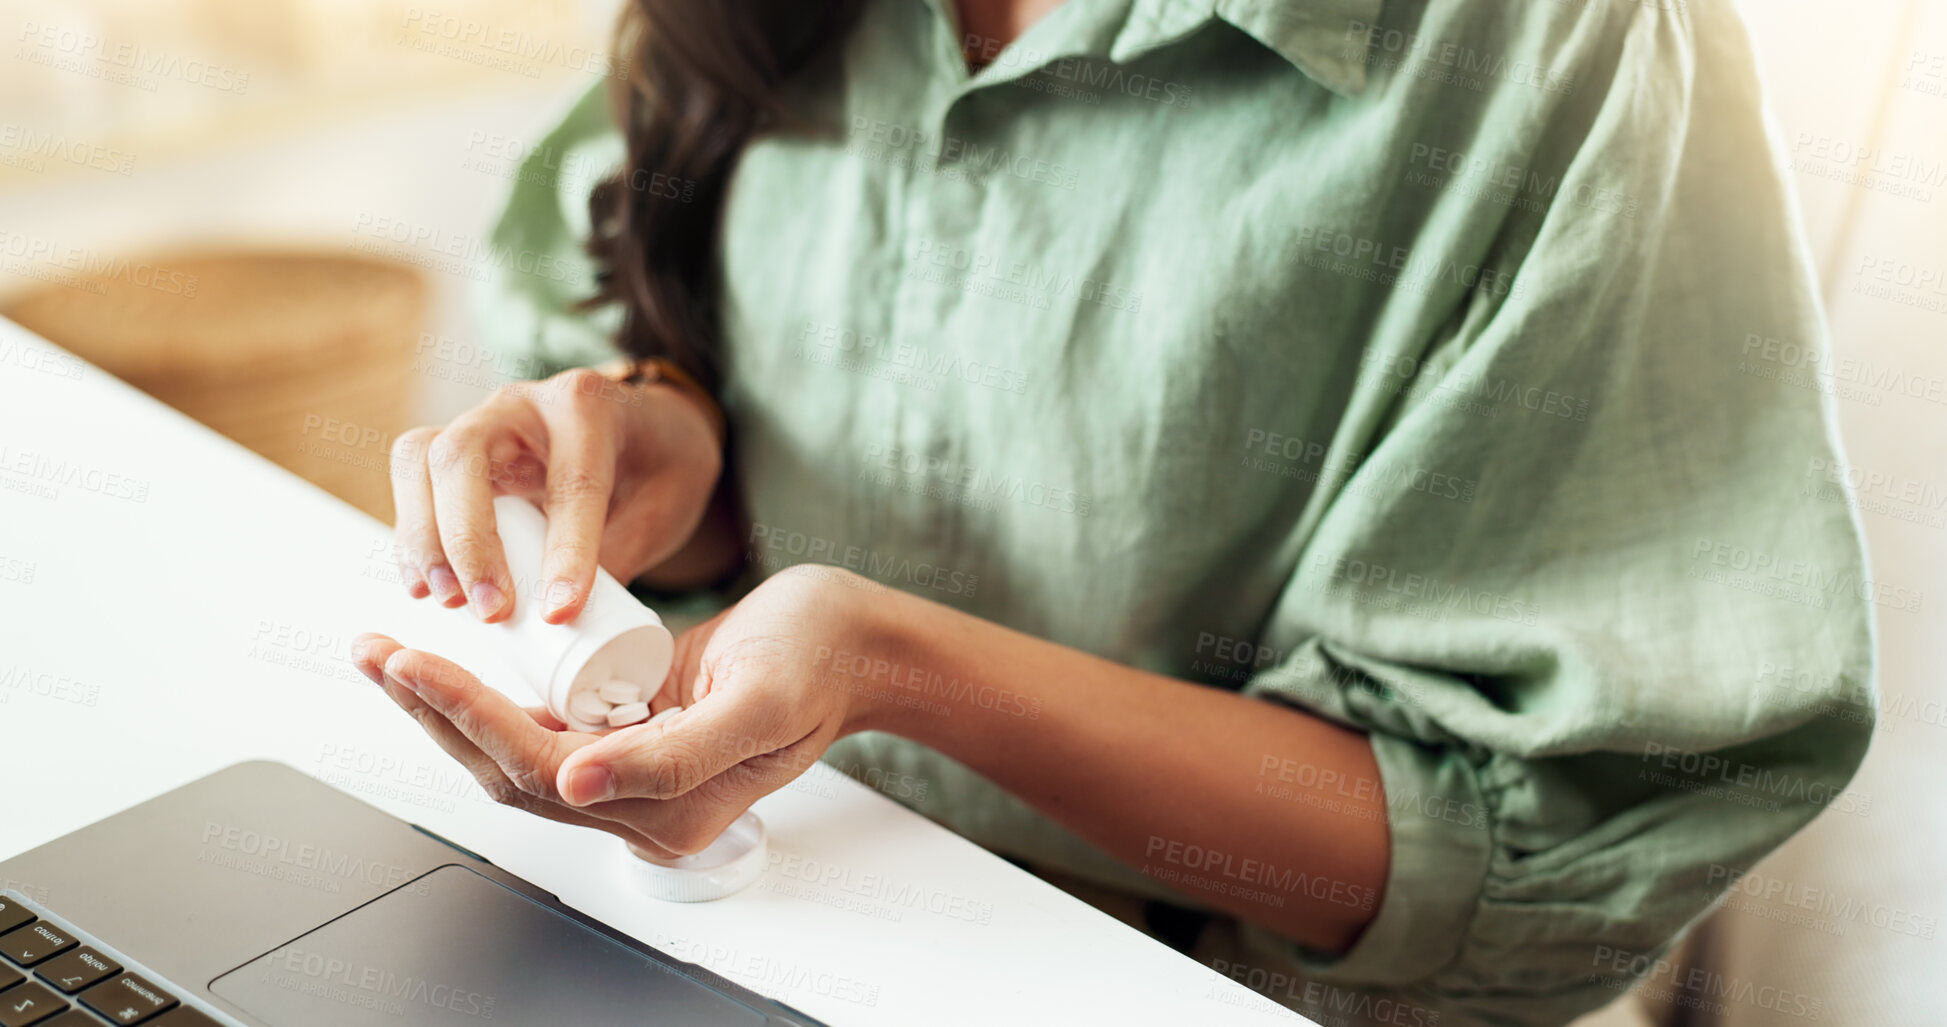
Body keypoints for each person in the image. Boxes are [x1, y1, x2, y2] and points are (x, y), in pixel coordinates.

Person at [351, 0, 1877, 1022]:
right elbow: (814, 387)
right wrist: (664, 443)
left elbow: (1544, 834)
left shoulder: (1557, 50)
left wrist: (899, 669)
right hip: (769, 928)